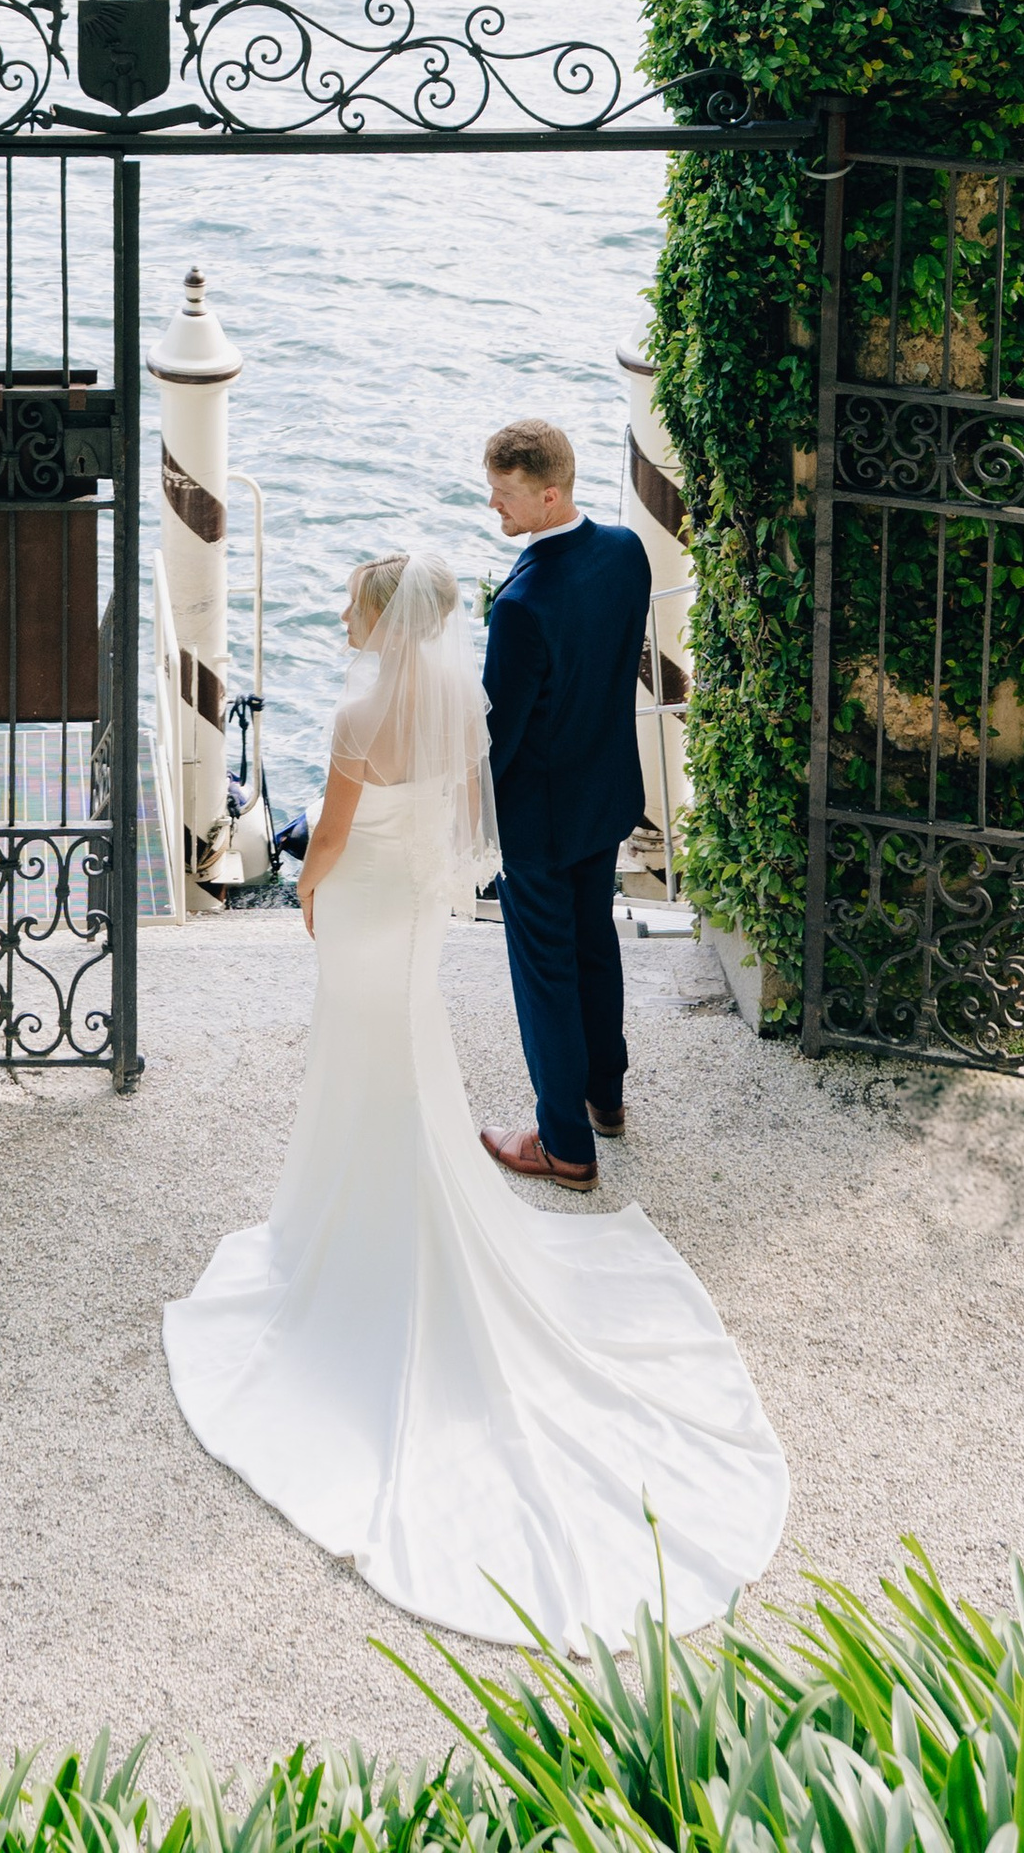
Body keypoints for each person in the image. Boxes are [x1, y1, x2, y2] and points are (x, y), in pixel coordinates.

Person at [161, 542, 787, 1646]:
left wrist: (308, 890)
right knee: (409, 1047)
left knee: (357, 1053)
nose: (345, 612)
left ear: (379, 617)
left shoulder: (359, 718)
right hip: (413, 907)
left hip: (362, 896)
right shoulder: (459, 698)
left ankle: (344, 1226)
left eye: (353, 600)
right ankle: (407, 1193)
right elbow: (461, 828)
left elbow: (329, 841)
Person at [478, 416, 650, 1190]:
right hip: (605, 792)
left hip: (540, 822)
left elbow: (499, 735)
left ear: (550, 495)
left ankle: (564, 1144)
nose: (494, 508)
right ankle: (604, 1098)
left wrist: (469, 810)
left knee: (545, 970)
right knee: (593, 945)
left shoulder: (521, 606)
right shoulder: (626, 553)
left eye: (506, 495)